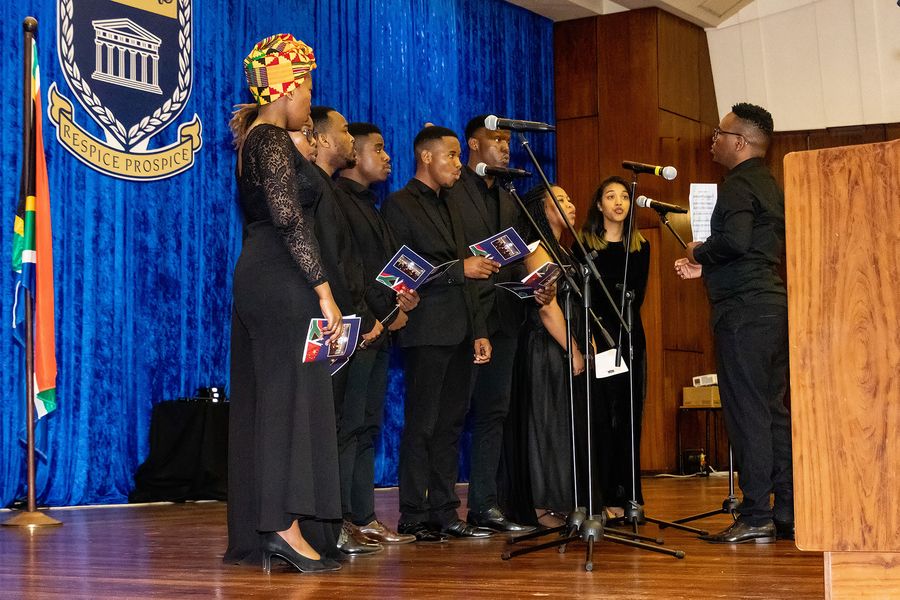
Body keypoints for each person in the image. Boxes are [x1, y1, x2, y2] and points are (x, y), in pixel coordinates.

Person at [224, 34, 342, 574]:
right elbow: (289, 219)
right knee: (286, 401)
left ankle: (273, 524)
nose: (310, 100)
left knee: (272, 399)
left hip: (265, 276)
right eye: (308, 89)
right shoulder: (269, 138)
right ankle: (281, 527)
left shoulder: (260, 139)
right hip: (281, 281)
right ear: (287, 88)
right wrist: (324, 292)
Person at [675, 102, 792, 544]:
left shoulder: (738, 184)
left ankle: (756, 513)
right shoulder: (770, 184)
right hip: (772, 307)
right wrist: (709, 267)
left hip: (743, 313)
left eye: (719, 134)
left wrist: (698, 251)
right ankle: (787, 511)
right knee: (774, 413)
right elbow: (754, 250)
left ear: (740, 142)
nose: (713, 140)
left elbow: (736, 241)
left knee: (747, 414)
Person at [381, 126, 495, 542]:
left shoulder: (452, 205)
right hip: (426, 329)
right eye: (451, 155)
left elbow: (471, 274)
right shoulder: (399, 205)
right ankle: (413, 513)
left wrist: (479, 330)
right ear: (426, 157)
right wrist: (457, 269)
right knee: (422, 424)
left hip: (461, 330)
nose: (458, 163)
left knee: (451, 424)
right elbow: (402, 269)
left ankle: (445, 511)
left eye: (459, 156)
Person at [333, 122, 419, 546]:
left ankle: (363, 516)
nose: (387, 157)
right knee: (347, 427)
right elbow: (346, 273)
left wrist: (403, 302)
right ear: (353, 154)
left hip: (380, 330)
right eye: (378, 149)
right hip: (359, 331)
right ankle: (338, 521)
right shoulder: (336, 201)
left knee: (367, 426)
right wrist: (374, 317)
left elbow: (383, 273)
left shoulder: (372, 205)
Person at [447, 115, 533, 533]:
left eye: (508, 142)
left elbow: (515, 256)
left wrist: (535, 285)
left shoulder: (509, 195)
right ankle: (439, 509)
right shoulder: (452, 190)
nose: (505, 148)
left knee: (494, 413)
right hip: (464, 316)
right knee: (453, 414)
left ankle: (484, 504)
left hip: (505, 316)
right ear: (472, 144)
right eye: (496, 139)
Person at [308, 105, 384, 555]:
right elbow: (331, 266)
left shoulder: (336, 194)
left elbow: (352, 263)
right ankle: (329, 523)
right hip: (335, 322)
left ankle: (348, 520)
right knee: (335, 426)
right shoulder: (319, 190)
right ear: (320, 139)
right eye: (344, 132)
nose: (350, 139)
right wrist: (363, 315)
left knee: (354, 424)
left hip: (354, 320)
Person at [499, 184, 586, 528]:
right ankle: (541, 506)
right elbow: (548, 308)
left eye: (569, 198)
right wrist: (573, 349)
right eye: (559, 200)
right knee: (545, 426)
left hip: (562, 343)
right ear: (541, 209)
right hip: (545, 348)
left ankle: (564, 500)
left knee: (563, 426)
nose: (569, 204)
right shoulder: (536, 250)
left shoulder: (563, 249)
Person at [580, 176, 650, 516]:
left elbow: (638, 296)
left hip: (630, 336)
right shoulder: (584, 245)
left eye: (624, 196)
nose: (619, 202)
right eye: (610, 196)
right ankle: (603, 497)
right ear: (599, 205)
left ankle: (629, 496)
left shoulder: (640, 246)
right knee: (602, 418)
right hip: (598, 338)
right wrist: (592, 335)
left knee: (629, 416)